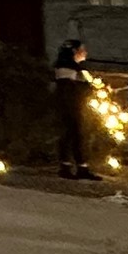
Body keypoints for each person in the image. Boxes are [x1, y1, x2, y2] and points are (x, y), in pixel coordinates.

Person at [53, 40, 94, 180]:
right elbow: (69, 90)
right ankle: (65, 167)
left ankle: (82, 167)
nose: (85, 53)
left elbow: (91, 84)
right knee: (69, 135)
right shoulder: (65, 68)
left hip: (78, 106)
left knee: (79, 136)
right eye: (82, 50)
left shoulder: (80, 68)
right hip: (69, 107)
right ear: (74, 52)